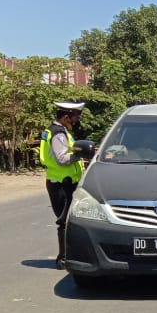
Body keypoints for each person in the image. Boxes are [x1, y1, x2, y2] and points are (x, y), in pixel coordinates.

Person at [40, 101, 87, 269]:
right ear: (66, 117)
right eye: (76, 116)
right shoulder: (59, 134)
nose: (77, 120)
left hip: (60, 181)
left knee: (67, 219)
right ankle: (64, 258)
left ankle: (67, 257)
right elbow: (62, 159)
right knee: (65, 221)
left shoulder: (55, 131)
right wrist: (81, 154)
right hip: (62, 183)